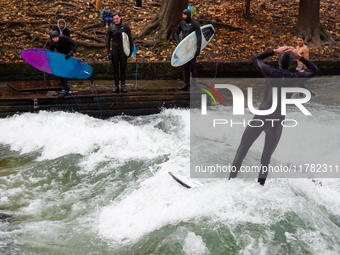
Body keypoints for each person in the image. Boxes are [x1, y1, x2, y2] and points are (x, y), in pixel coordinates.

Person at [229, 46, 319, 186]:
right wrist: (299, 57)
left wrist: (274, 51)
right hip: (277, 121)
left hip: (261, 117)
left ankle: (230, 182)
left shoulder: (270, 72)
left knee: (242, 149)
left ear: (278, 62)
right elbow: (315, 70)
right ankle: (260, 186)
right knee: (266, 158)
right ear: (291, 65)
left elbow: (255, 58)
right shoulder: (295, 77)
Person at [106, 12, 133, 93]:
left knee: (123, 69)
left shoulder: (126, 27)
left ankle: (123, 86)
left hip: (123, 51)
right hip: (114, 50)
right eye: (114, 19)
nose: (115, 20)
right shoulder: (111, 28)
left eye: (117, 18)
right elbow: (107, 41)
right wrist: (108, 52)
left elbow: (130, 40)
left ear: (120, 18)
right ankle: (116, 86)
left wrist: (130, 51)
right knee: (115, 69)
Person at [175, 8, 202, 91]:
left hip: (192, 48)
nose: (183, 16)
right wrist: (178, 43)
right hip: (184, 48)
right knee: (185, 66)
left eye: (184, 15)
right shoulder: (182, 23)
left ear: (188, 15)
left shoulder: (195, 24)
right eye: (182, 14)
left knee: (192, 66)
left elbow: (199, 36)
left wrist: (198, 49)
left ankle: (194, 85)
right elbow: (176, 33)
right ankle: (187, 84)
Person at [49, 30, 78, 98]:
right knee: (59, 72)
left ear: (58, 36)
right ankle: (65, 87)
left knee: (64, 71)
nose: (55, 40)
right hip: (61, 56)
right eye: (53, 38)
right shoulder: (51, 43)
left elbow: (76, 45)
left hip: (68, 55)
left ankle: (64, 89)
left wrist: (71, 52)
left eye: (56, 38)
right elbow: (52, 53)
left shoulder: (64, 38)